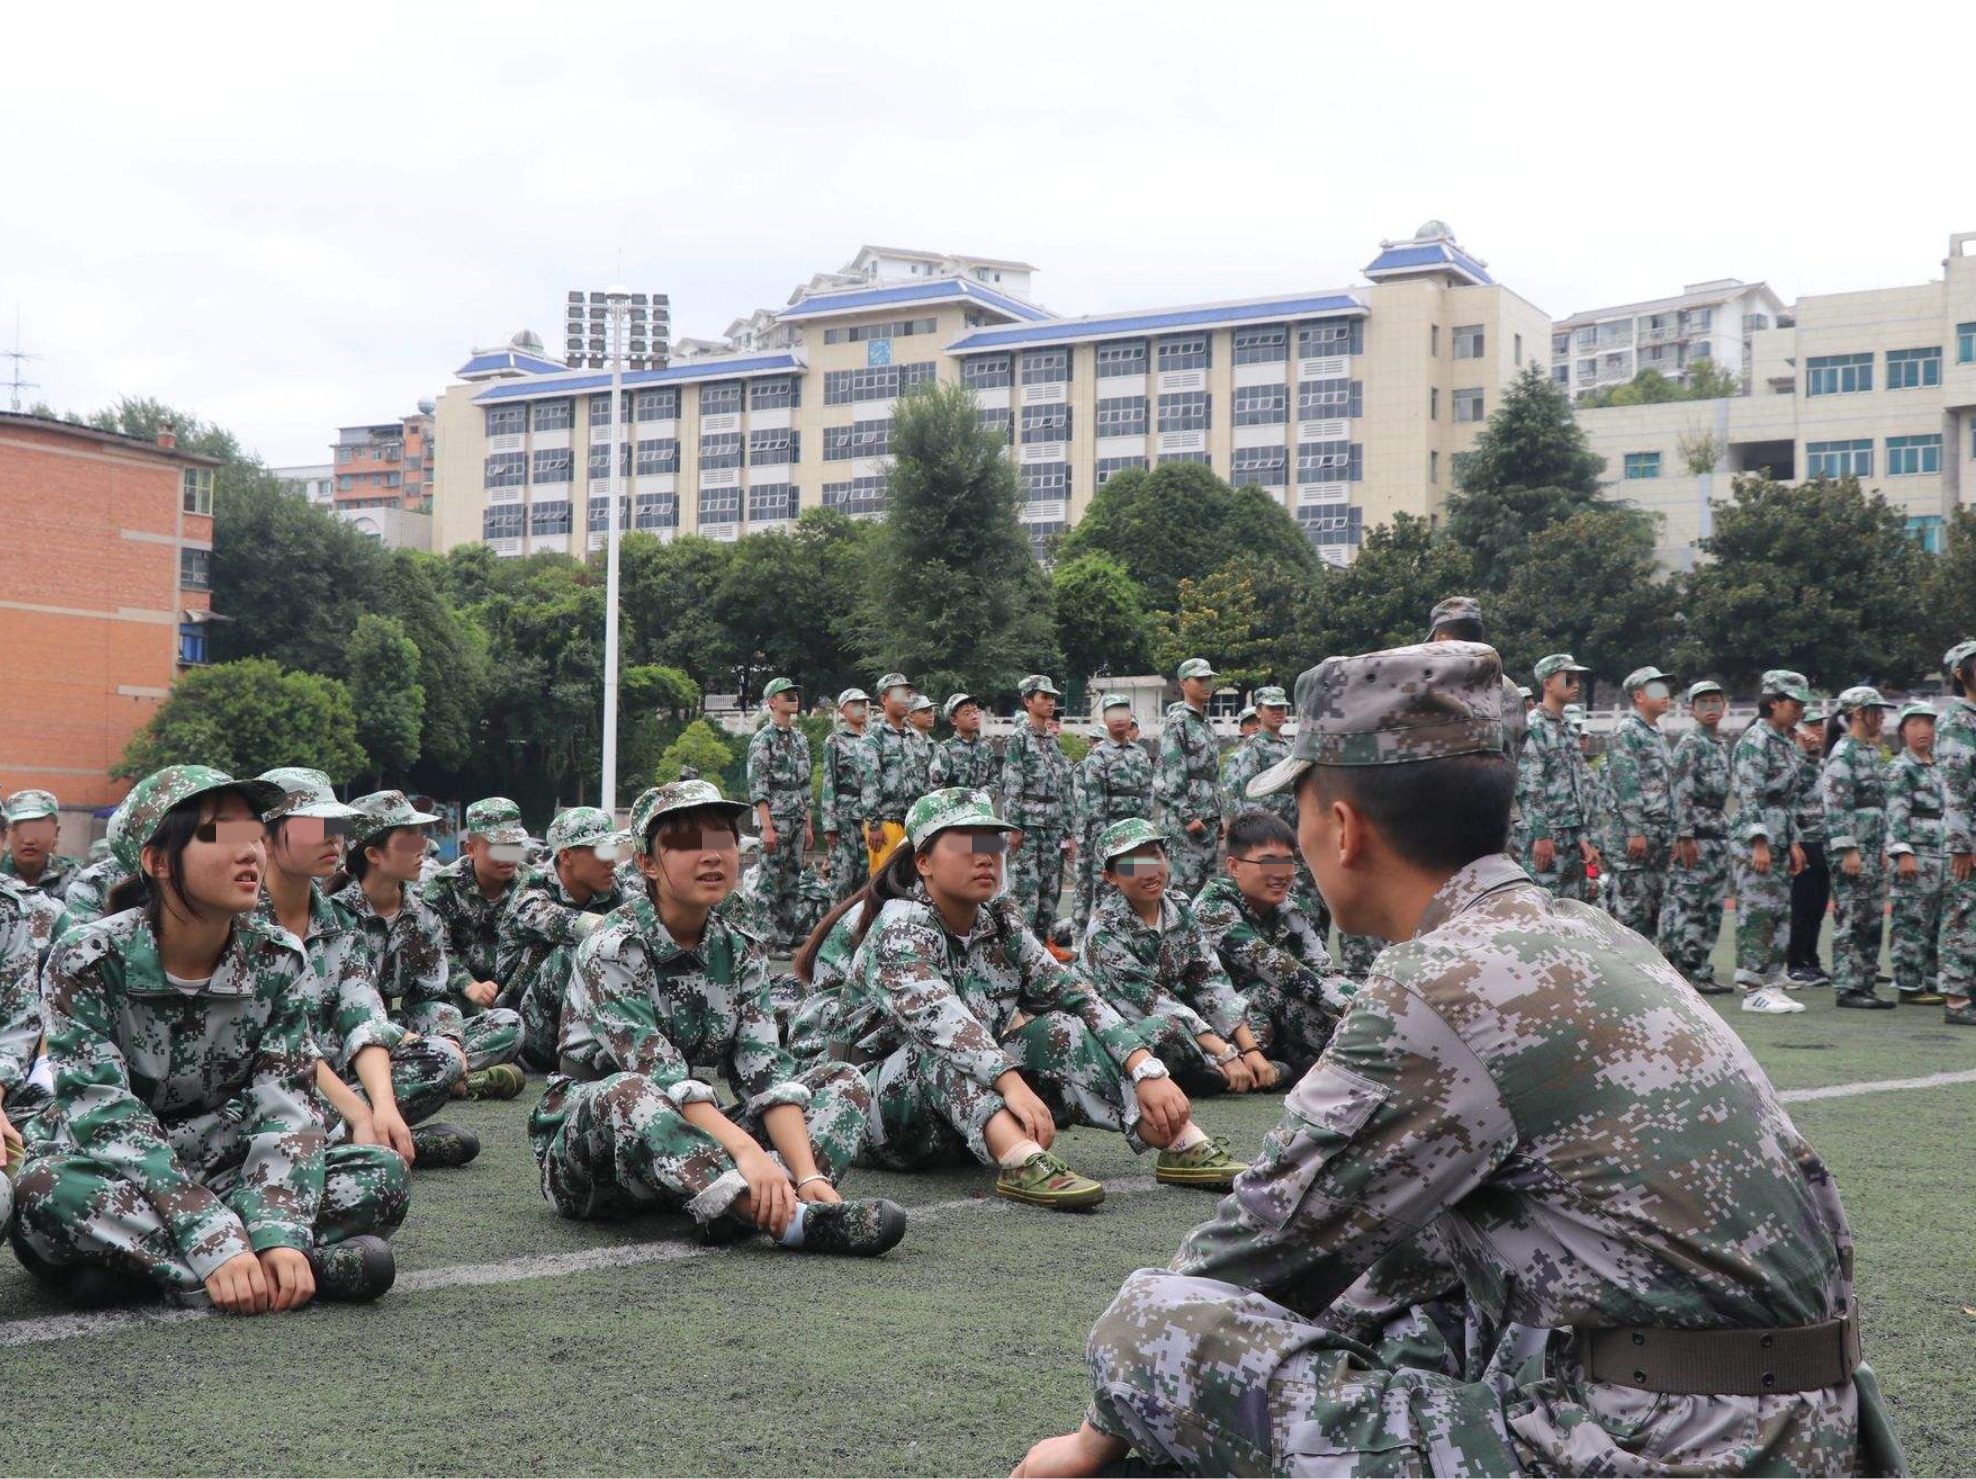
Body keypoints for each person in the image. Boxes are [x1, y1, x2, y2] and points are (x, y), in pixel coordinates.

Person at [1017, 642, 1893, 1479]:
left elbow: (1252, 1248)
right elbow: (1392, 1254)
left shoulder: (1440, 986)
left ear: (1342, 826)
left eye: (1300, 812)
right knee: (1399, 1288)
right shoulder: (1591, 931)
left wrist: (1102, 1425)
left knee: (1149, 1325)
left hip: (1663, 1442)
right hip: (1798, 1425)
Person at [12, 766, 407, 1310]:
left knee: (380, 1176)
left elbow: (287, 1106)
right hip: (120, 1170)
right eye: (220, 835)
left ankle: (152, 1273)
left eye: (255, 835)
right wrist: (210, 1235)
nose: (250, 852)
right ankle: (264, 1272)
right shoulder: (87, 959)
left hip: (228, 1162)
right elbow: (105, 1114)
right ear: (156, 861)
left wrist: (278, 1228)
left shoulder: (276, 958)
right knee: (44, 1192)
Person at [527, 780, 906, 1256]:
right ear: (646, 863)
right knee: (629, 1090)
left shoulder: (738, 947)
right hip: (598, 1160)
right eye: (687, 843)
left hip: (691, 1143)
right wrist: (747, 1152)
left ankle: (782, 1197)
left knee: (841, 1080)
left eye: (722, 840)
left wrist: (808, 1172)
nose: (711, 856)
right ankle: (779, 1219)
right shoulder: (613, 947)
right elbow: (658, 1075)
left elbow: (765, 1073)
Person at [824, 787, 1241, 1209]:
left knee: (1058, 1029)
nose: (985, 856)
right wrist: (1011, 1084)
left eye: (991, 843)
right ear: (923, 862)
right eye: (967, 845)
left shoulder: (1000, 921)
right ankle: (1021, 1159)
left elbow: (1075, 994)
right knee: (938, 1051)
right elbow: (946, 1025)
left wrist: (1145, 1068)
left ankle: (1176, 1136)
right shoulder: (899, 927)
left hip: (959, 1121)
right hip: (872, 1116)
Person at [257, 768, 477, 1168]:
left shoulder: (339, 924)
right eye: (313, 826)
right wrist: (359, 1112)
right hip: (272, 1083)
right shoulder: (242, 922)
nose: (332, 838)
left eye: (337, 825)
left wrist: (384, 1105)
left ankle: (363, 1137)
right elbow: (279, 1046)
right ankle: (374, 1140)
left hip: (337, 1076)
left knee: (441, 1057)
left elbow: (364, 1018)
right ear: (264, 838)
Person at [332, 791, 525, 1093]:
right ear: (373, 854)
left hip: (407, 1030)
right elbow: (333, 1010)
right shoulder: (335, 916)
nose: (424, 847)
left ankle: (440, 1071)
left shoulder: (423, 917)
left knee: (508, 1024)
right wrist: (400, 1038)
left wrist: (449, 1039)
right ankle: (449, 1078)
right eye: (409, 840)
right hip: (347, 1033)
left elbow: (430, 999)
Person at [1081, 818, 1276, 1096]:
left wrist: (1250, 1048)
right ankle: (1216, 1072)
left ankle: (1216, 1071)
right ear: (1110, 876)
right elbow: (1153, 1003)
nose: (1150, 872)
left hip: (1182, 1018)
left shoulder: (1179, 908)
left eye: (1155, 857)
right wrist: (1225, 1052)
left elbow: (1209, 980)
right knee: (1163, 1031)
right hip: (1124, 1024)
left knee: (1257, 1024)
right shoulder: (1106, 928)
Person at [1192, 808, 1356, 1074]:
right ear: (1234, 866)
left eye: (1288, 863)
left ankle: (1293, 1067)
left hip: (1271, 1016)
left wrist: (1367, 1002)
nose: (1281, 874)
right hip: (1221, 1017)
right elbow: (1275, 967)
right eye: (1268, 863)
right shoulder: (1213, 907)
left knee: (1339, 996)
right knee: (1274, 994)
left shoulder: (1287, 908)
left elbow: (1322, 970)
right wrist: (1348, 1006)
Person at [499, 806, 629, 1071]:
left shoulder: (613, 889)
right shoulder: (531, 894)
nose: (611, 861)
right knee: (579, 952)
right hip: (529, 1032)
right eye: (601, 851)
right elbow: (580, 926)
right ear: (567, 856)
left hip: (586, 1020)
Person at [419, 796, 530, 1050]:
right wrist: (468, 985)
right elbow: (436, 950)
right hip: (456, 997)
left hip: (512, 995)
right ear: (471, 849)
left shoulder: (531, 884)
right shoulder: (444, 887)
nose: (508, 855)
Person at [1731, 670, 1812, 1013]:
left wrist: (1793, 841)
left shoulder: (1783, 741)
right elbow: (1750, 796)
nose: (1800, 711)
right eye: (1795, 704)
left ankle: (1773, 982)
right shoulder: (1756, 740)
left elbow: (1788, 800)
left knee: (1779, 911)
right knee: (1757, 912)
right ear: (1774, 702)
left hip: (1780, 833)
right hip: (1758, 838)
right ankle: (1752, 987)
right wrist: (1759, 842)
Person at [1822, 688, 1899, 1010]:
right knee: (1852, 918)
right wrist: (1847, 848)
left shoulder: (1870, 751)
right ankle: (1849, 986)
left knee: (1870, 919)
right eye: (1874, 710)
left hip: (1873, 847)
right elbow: (1837, 804)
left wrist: (1884, 845)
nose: (1881, 716)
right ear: (1857, 713)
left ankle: (1865, 982)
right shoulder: (1845, 753)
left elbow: (1881, 804)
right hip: (1854, 850)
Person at [1660, 680, 1734, 994]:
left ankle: (1701, 966)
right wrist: (1685, 835)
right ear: (1692, 709)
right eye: (1703, 703)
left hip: (1717, 833)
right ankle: (1686, 969)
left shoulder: (1720, 744)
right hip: (1696, 836)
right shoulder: (1691, 744)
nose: (1710, 708)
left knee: (1713, 905)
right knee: (1690, 903)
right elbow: (1681, 794)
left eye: (1715, 702)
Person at [1604, 665, 1679, 940]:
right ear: (1638, 696)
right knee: (1631, 913)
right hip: (1634, 838)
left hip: (1658, 835)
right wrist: (1635, 831)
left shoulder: (1656, 733)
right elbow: (1626, 785)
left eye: (1666, 689)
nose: (1666, 695)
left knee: (1653, 911)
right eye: (1657, 689)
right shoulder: (1627, 731)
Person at [1000, 674, 1078, 938]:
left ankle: (1044, 948)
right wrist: (1014, 826)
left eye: (1052, 698)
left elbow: (1064, 789)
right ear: (1027, 701)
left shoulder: (1053, 743)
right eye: (1044, 697)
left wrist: (1068, 832)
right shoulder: (1018, 740)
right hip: (1029, 826)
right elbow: (1013, 785)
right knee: (1025, 890)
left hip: (1052, 826)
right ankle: (1021, 949)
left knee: (1049, 890)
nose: (1050, 702)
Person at [1517, 654, 1600, 900]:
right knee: (1544, 904)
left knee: (1572, 908)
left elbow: (1577, 786)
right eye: (1568, 679)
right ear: (1547, 684)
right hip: (1546, 834)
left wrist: (1583, 836)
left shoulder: (1566, 728)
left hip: (1571, 834)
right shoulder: (1534, 726)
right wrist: (1541, 835)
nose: (1576, 685)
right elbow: (1531, 784)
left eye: (1577, 679)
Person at [1072, 695, 1155, 937]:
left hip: (1137, 838)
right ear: (1104, 719)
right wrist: (1104, 849)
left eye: (1123, 712)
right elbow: (1096, 806)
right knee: (1108, 895)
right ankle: (1101, 944)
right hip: (1111, 839)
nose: (1119, 718)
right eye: (1112, 713)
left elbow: (1148, 794)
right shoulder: (1097, 756)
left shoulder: (1140, 753)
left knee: (1139, 889)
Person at [745, 677, 814, 951]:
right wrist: (767, 827)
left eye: (794, 695)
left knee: (792, 878)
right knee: (769, 880)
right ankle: (767, 938)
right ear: (772, 702)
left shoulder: (799, 738)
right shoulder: (764, 739)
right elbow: (758, 786)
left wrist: (808, 824)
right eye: (786, 695)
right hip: (775, 816)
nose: (793, 699)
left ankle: (786, 935)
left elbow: (806, 784)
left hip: (796, 814)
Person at [1885, 702, 1946, 1005]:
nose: (1923, 731)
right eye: (1915, 724)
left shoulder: (1940, 765)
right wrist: (1902, 851)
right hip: (1916, 855)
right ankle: (1909, 984)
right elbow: (1896, 813)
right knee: (1911, 920)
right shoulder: (1901, 767)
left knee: (1938, 922)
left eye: (1928, 724)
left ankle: (1934, 980)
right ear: (1903, 730)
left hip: (1942, 855)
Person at [1155, 658, 1224, 896]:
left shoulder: (1205, 723)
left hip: (1209, 815)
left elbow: (1214, 774)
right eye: (1200, 679)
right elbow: (1173, 772)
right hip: (1187, 820)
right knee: (1182, 887)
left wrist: (1219, 813)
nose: (1207, 684)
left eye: (1209, 679)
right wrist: (1187, 816)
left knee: (1207, 888)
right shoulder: (1178, 722)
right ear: (1183, 684)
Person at [1935, 640, 1976, 1026]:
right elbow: (1956, 786)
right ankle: (1958, 998)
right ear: (1961, 674)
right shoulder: (1957, 720)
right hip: (1969, 840)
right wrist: (1962, 843)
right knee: (1962, 915)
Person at [1788, 708, 1835, 988]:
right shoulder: (1796, 763)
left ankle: (1811, 960)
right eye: (1811, 725)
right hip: (1803, 840)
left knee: (1818, 907)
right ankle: (1795, 963)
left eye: (1820, 725)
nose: (1816, 731)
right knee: (1801, 907)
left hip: (1823, 842)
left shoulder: (1824, 764)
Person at [819, 687, 877, 902]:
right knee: (843, 878)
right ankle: (835, 930)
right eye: (855, 705)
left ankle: (861, 929)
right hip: (844, 816)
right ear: (843, 710)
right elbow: (828, 781)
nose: (862, 709)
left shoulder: (874, 738)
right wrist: (829, 823)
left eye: (864, 704)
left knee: (867, 877)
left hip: (870, 817)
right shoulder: (835, 740)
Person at [864, 672, 917, 873]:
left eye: (908, 694)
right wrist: (875, 825)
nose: (905, 699)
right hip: (886, 823)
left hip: (910, 822)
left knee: (910, 880)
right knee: (884, 881)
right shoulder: (874, 736)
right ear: (884, 699)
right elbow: (870, 780)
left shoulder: (914, 737)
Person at [2, 789, 80, 897]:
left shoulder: (73, 877)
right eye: (20, 830)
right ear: (7, 833)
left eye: (39, 830)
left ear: (56, 832)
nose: (29, 841)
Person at [928, 693, 997, 791]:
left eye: (975, 711)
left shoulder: (986, 748)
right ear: (953, 720)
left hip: (981, 804)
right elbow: (935, 786)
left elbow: (994, 781)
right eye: (967, 713)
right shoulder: (946, 749)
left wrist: (981, 796)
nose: (974, 716)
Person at [904, 693, 937, 802]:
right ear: (911, 716)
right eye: (925, 712)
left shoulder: (934, 745)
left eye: (931, 711)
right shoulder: (903, 741)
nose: (931, 715)